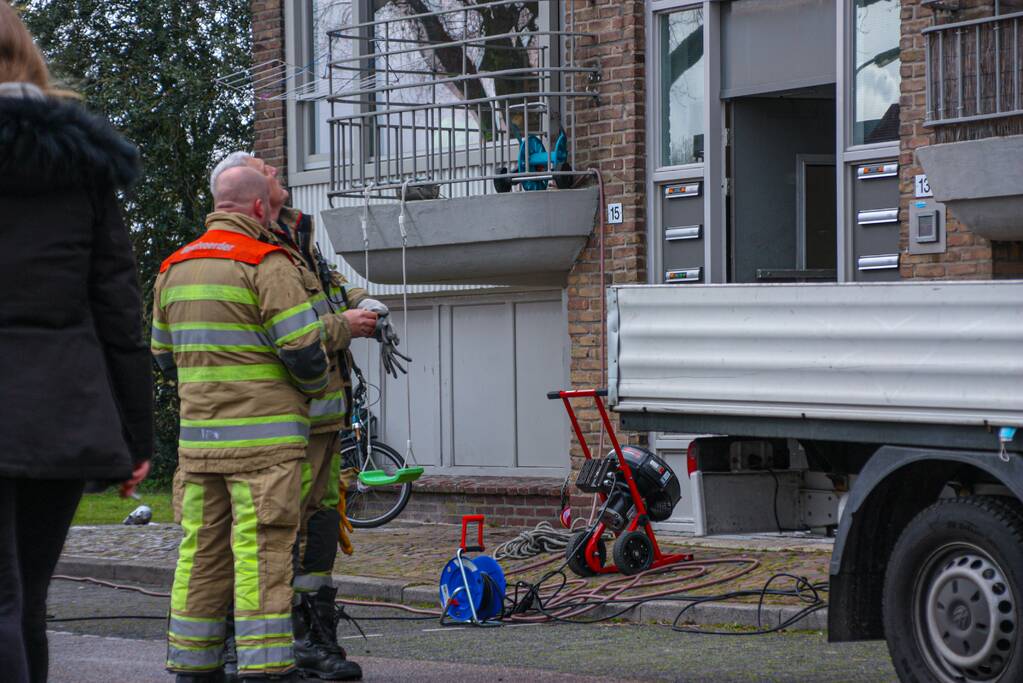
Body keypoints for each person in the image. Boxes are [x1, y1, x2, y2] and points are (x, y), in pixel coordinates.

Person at [208, 151, 405, 681]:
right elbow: (286, 335)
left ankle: (313, 634)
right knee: (271, 532)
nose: (277, 171)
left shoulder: (297, 238)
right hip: (278, 422)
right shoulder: (253, 250)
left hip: (321, 415)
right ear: (252, 193)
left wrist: (365, 304)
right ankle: (256, 643)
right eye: (266, 170)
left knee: (317, 521)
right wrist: (344, 324)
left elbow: (332, 289)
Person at [0, 3, 153, 682]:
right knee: (27, 600)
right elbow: (117, 309)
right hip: (61, 407)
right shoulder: (85, 164)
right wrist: (137, 435)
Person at [154, 165, 332, 682]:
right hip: (266, 449)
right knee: (262, 555)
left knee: (201, 553)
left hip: (198, 448)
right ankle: (265, 668)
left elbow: (163, 358)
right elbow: (304, 352)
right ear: (258, 208)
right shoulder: (266, 263)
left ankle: (194, 664)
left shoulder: (174, 265)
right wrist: (314, 391)